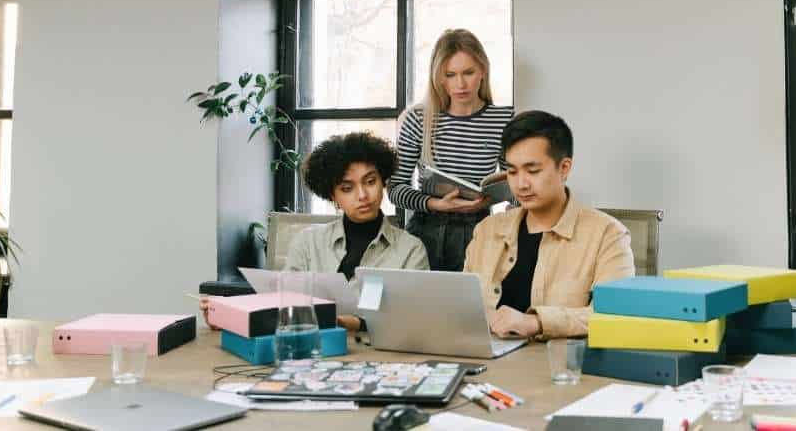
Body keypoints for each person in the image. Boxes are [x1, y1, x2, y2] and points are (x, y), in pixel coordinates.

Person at [202, 132, 428, 331]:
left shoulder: (411, 249)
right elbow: (282, 305)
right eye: (347, 188)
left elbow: (415, 320)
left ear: (383, 182)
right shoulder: (308, 242)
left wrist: (352, 323)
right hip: (311, 351)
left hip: (380, 358)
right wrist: (224, 317)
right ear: (333, 197)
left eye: (370, 181)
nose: (362, 195)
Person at [463, 110, 635, 339]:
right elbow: (462, 304)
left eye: (533, 171)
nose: (521, 184)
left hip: (558, 368)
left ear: (564, 168)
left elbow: (616, 315)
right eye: (512, 172)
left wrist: (537, 322)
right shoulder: (487, 230)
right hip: (483, 363)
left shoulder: (608, 234)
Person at [388, 29, 514, 271]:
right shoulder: (418, 118)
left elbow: (516, 185)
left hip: (479, 231)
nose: (461, 84)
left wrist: (511, 208)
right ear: (439, 77)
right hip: (425, 232)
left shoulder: (504, 119)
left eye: (468, 72)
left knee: (473, 307)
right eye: (450, 74)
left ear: (483, 71)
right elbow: (395, 189)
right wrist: (435, 204)